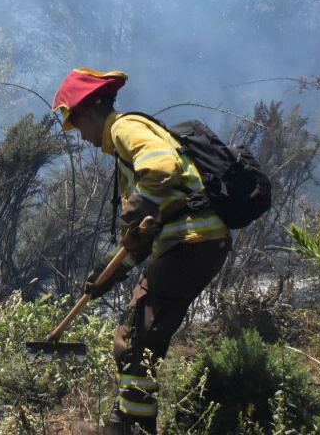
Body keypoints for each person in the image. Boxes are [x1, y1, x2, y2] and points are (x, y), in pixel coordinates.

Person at [54, 68, 230, 435]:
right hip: (191, 243)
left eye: (76, 123)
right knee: (138, 339)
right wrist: (108, 273)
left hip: (189, 242)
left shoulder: (124, 128)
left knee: (136, 341)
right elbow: (143, 235)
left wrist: (132, 212)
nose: (81, 135)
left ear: (89, 111)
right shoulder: (125, 149)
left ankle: (129, 427)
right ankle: (130, 420)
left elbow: (162, 168)